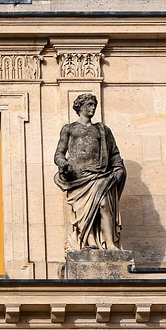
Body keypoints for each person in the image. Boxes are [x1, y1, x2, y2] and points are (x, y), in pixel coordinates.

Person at [53, 93, 126, 251]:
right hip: (77, 177)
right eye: (89, 104)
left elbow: (114, 154)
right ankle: (89, 241)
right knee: (84, 211)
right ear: (80, 107)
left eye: (94, 104)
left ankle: (110, 244)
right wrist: (63, 163)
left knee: (104, 205)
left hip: (99, 174)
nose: (93, 107)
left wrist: (119, 168)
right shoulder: (69, 128)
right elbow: (59, 153)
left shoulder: (102, 130)